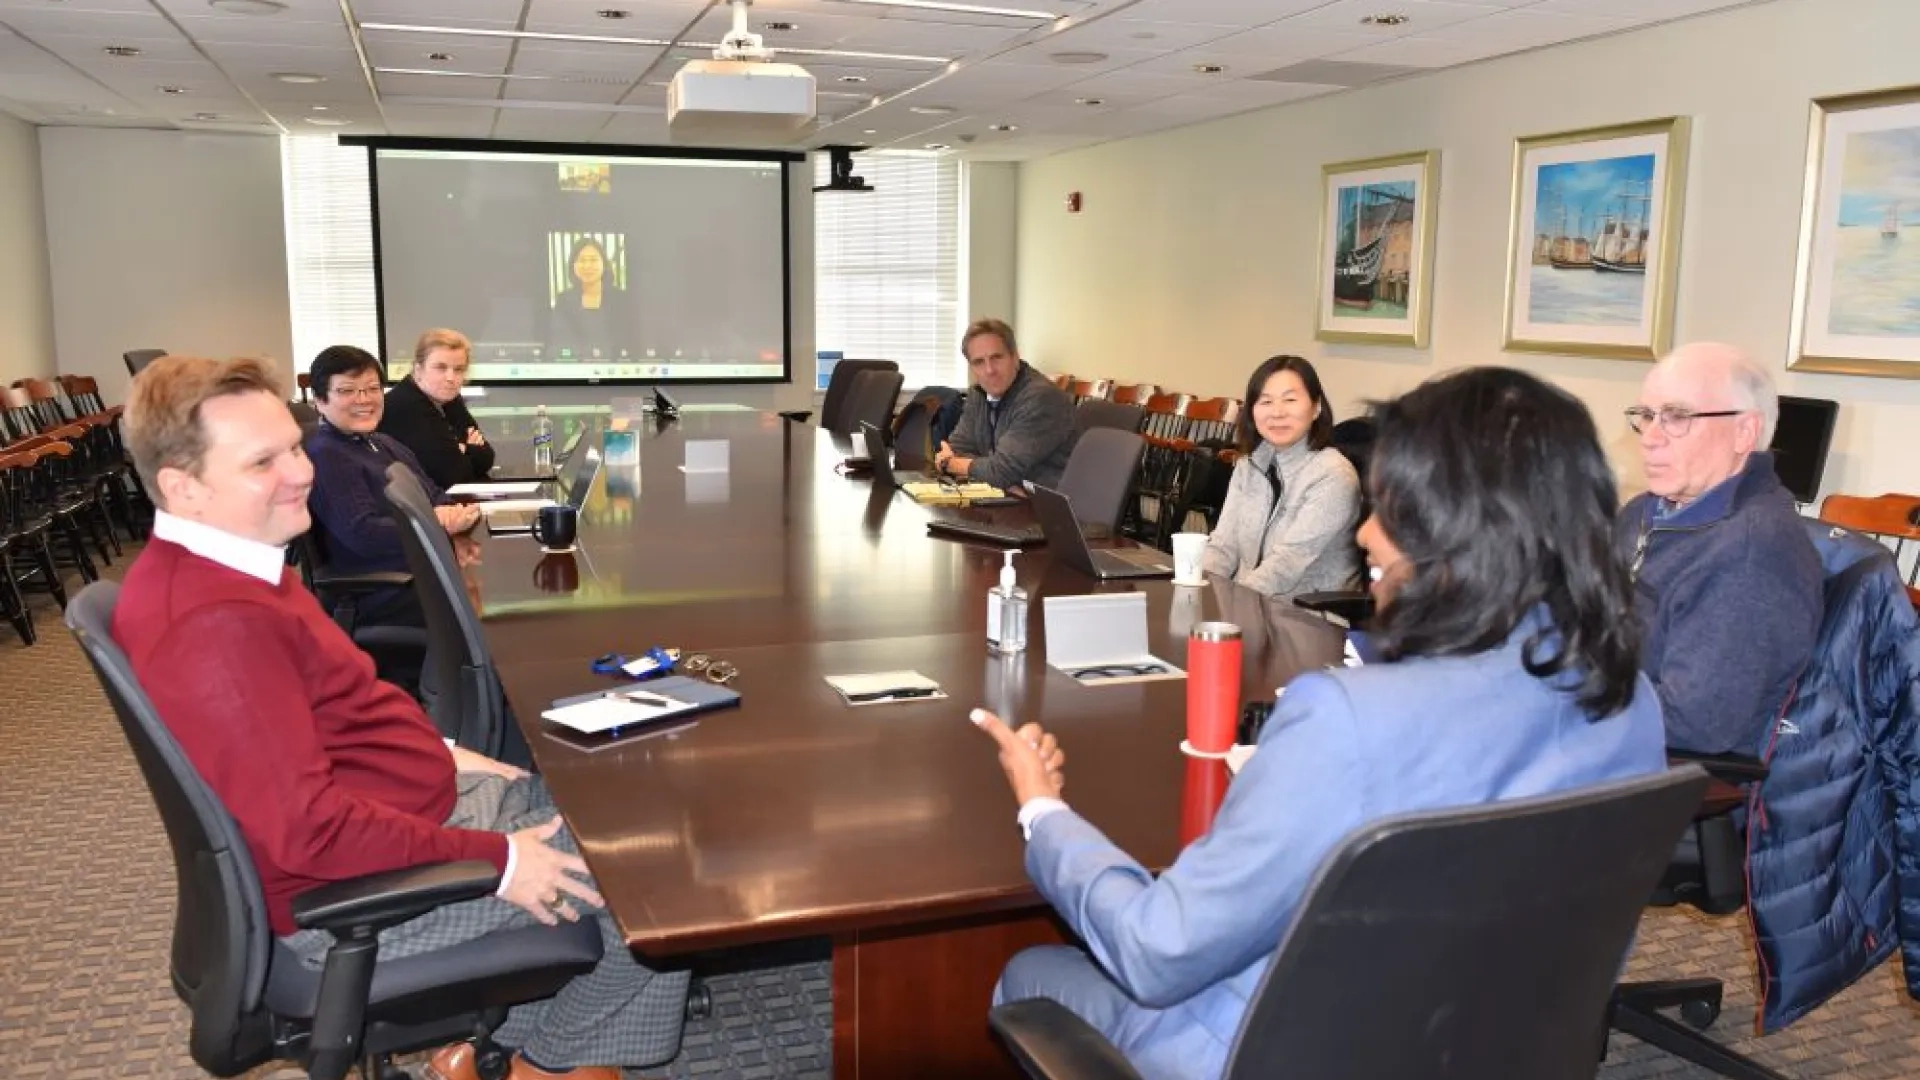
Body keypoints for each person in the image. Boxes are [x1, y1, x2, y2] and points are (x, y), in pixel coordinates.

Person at [976, 367, 1668, 1080]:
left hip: (1266, 1052)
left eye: (1390, 509)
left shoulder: (1346, 718)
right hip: (1485, 1043)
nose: (1365, 533)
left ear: (1457, 529)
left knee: (1031, 970)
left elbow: (1160, 951)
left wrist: (1042, 810)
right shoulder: (1632, 703)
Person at [112, 355, 689, 1080]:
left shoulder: (236, 568)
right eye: (264, 462)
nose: (302, 472)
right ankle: (543, 1069)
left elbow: (322, 723)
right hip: (350, 902)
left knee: (630, 809)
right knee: (664, 884)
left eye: (293, 446)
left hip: (406, 816)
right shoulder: (215, 624)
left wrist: (443, 749)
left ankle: (485, 1057)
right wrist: (501, 862)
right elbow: (310, 833)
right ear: (182, 487)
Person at [1617, 342, 1822, 756]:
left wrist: (1556, 699)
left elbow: (1696, 722)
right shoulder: (1646, 510)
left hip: (1664, 771)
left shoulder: (1750, 551)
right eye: (1646, 416)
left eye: (1677, 417)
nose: (1650, 438)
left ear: (1745, 431)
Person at [305, 344, 480, 627]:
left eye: (373, 388)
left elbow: (434, 494)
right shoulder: (328, 454)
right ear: (320, 401)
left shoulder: (383, 443)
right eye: (348, 391)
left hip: (418, 571)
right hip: (382, 591)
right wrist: (436, 526)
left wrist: (455, 516)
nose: (364, 399)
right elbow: (364, 534)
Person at [1200, 355, 1362, 597]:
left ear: (1316, 407)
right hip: (1249, 608)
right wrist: (1196, 592)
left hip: (1307, 621)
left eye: (1290, 400)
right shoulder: (1249, 465)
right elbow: (1224, 547)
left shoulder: (1333, 476)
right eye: (1265, 401)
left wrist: (1231, 607)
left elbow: (1286, 565)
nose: (1277, 412)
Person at [934, 318, 1077, 491]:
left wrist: (952, 464)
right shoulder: (978, 394)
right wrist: (983, 467)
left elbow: (1001, 472)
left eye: (997, 358)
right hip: (1004, 496)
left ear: (1015, 357)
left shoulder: (1040, 398)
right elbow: (957, 448)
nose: (989, 370)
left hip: (1044, 507)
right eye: (979, 362)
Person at [379, 328, 496, 490]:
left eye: (458, 369)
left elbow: (488, 457)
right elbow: (452, 476)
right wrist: (471, 449)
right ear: (418, 369)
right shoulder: (404, 405)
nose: (450, 378)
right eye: (441, 368)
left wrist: (465, 449)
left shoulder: (449, 398)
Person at [545, 235, 635, 361]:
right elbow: (557, 342)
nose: (587, 266)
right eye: (581, 260)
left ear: (604, 264)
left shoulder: (621, 299)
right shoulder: (564, 300)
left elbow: (631, 340)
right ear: (573, 265)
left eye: (593, 260)